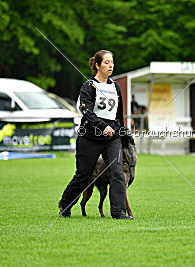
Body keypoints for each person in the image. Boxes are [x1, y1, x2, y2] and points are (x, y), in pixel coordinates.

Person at [58, 50, 132, 219]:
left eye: (112, 62)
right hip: (89, 136)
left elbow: (118, 113)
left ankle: (118, 212)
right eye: (106, 62)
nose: (110, 65)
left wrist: (120, 131)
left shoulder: (116, 86)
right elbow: (87, 111)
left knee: (116, 173)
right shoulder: (88, 86)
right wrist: (102, 125)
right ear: (97, 65)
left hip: (111, 137)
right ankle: (65, 204)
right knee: (84, 175)